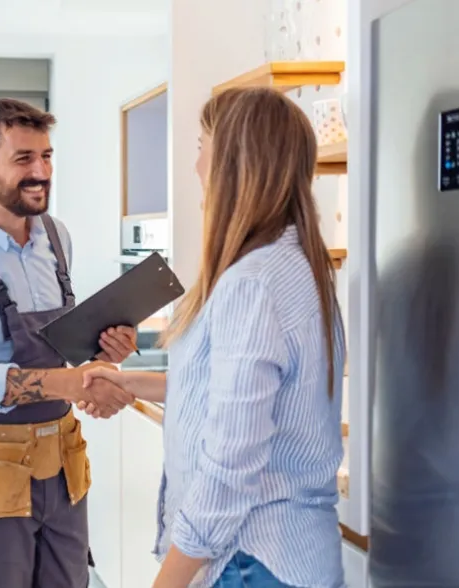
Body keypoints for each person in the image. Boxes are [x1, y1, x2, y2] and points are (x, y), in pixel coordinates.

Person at [82, 87, 347, 588]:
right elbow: (225, 392)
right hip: (294, 556)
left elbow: (229, 469)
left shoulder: (251, 284)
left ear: (234, 164)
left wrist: (168, 582)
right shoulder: (296, 267)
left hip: (251, 560)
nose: (196, 166)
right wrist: (130, 383)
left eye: (202, 146)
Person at [0, 97, 138, 588]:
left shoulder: (57, 237)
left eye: (47, 157)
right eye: (23, 160)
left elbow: (58, 349)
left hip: (62, 465)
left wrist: (101, 354)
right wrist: (75, 381)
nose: (40, 172)